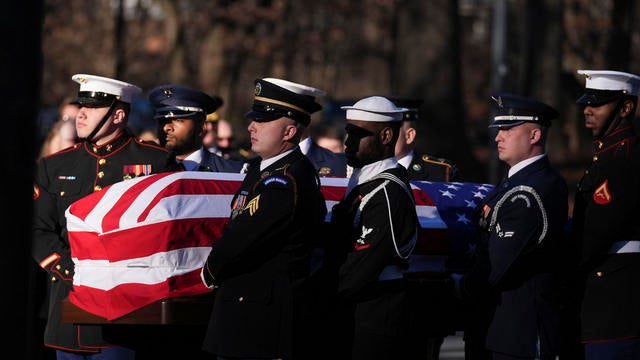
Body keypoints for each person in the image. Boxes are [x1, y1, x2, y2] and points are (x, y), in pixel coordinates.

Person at [32, 74, 179, 359]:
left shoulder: (156, 162)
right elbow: (39, 229)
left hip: (123, 316)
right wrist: (72, 271)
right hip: (68, 307)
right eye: (80, 106)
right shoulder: (55, 164)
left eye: (93, 108)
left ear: (118, 115)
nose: (81, 114)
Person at [200, 77, 328, 359]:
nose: (251, 126)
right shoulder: (263, 169)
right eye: (253, 118)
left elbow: (242, 237)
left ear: (289, 131)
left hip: (261, 321)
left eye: (263, 121)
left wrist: (209, 269)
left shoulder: (287, 180)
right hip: (245, 313)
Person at [450, 93, 568, 359]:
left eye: (507, 129)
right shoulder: (514, 185)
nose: (497, 137)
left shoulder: (530, 192)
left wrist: (455, 286)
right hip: (495, 329)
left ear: (534, 136)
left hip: (518, 335)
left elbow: (496, 265)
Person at [323, 95, 418, 359]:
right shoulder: (366, 182)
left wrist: (318, 296)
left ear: (386, 135)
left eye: (357, 134)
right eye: (347, 132)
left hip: (375, 315)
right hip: (358, 309)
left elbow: (363, 265)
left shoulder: (388, 191)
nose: (347, 141)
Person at [570, 69, 640, 359]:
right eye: (587, 102)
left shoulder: (622, 160)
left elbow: (594, 235)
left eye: (598, 104)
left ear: (625, 108)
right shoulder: (607, 156)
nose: (587, 110)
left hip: (616, 303)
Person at [390, 97, 459, 360]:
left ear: (410, 135)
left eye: (391, 131)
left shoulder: (438, 172)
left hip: (423, 288)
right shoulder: (365, 169)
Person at [148, 84, 244, 173]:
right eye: (162, 121)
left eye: (178, 120)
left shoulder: (230, 172)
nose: (166, 127)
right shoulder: (146, 171)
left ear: (201, 127)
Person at [392, 98, 458, 182]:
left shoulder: (440, 173)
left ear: (409, 136)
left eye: (390, 131)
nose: (383, 137)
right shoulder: (371, 169)